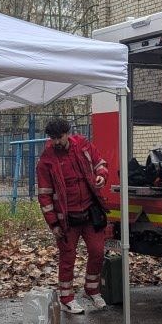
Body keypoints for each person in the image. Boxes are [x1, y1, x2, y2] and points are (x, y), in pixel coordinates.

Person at [36, 117, 110, 313]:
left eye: (59, 137)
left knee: (97, 252)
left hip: (90, 211)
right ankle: (66, 298)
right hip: (66, 218)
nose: (56, 142)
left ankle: (92, 291)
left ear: (67, 133)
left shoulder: (83, 145)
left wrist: (102, 175)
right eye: (52, 138)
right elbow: (44, 196)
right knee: (67, 257)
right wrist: (54, 224)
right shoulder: (46, 160)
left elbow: (100, 163)